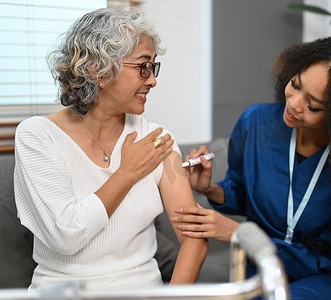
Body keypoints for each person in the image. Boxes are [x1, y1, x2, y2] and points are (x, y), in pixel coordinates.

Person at [172, 35, 331, 299]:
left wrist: (237, 233)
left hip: (330, 271)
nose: (294, 103)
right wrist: (209, 189)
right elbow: (241, 191)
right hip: (266, 261)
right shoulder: (255, 123)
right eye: (295, 84)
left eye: (313, 105)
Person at [14, 8, 207, 290]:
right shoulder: (37, 136)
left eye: (153, 67)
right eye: (142, 66)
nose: (152, 80)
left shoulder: (156, 139)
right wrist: (127, 172)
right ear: (97, 69)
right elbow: (65, 235)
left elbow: (194, 238)